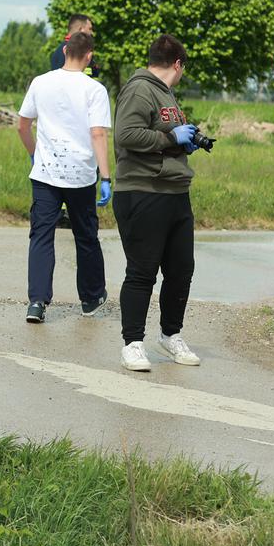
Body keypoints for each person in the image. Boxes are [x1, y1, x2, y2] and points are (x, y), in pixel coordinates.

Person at [112, 35, 203, 372]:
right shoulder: (140, 89)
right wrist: (169, 138)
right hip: (143, 191)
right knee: (142, 271)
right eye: (183, 68)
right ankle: (132, 344)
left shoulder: (165, 93)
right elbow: (126, 134)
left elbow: (159, 137)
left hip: (175, 192)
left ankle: (170, 335)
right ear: (178, 63)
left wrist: (183, 143)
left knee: (181, 270)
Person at [16, 31, 112, 323]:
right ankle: (91, 297)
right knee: (85, 236)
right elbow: (97, 133)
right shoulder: (94, 90)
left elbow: (22, 125)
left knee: (41, 236)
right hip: (80, 176)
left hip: (45, 174)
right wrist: (106, 177)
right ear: (89, 56)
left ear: (65, 50)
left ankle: (37, 302)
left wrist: (35, 154)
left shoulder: (40, 82)